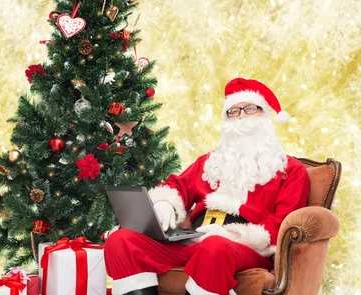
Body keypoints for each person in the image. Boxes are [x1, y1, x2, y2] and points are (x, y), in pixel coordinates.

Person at [104, 78, 310, 295]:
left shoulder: (291, 171)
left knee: (215, 248)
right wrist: (164, 203)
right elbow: (178, 186)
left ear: (265, 115)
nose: (241, 117)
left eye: (250, 109)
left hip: (245, 247)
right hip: (195, 241)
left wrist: (232, 235)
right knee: (121, 240)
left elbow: (283, 222)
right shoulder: (210, 162)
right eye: (234, 111)